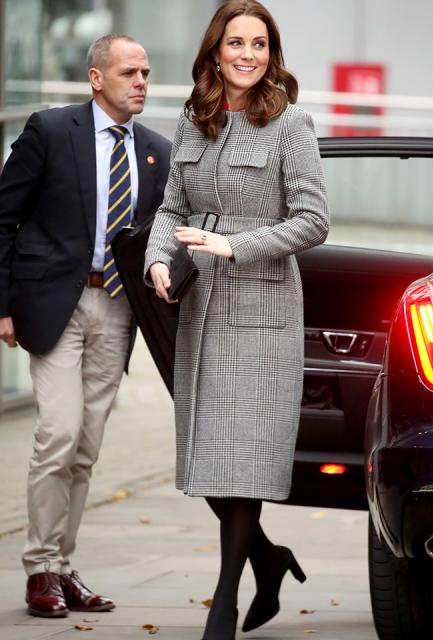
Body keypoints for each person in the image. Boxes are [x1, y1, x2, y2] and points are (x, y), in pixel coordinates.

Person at [143, 2, 328, 638]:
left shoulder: (291, 124)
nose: (247, 54)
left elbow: (313, 220)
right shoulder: (193, 123)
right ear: (215, 51)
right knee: (208, 459)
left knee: (244, 459)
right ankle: (268, 560)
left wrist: (234, 244)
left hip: (264, 307)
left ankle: (223, 601)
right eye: (235, 43)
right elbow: (169, 209)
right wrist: (157, 261)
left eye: (259, 44)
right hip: (200, 308)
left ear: (271, 53)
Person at [0, 34, 171, 618]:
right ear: (97, 78)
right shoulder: (50, 131)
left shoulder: (155, 150)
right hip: (55, 305)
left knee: (86, 449)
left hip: (119, 311)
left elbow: (158, 234)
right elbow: (5, 218)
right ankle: (38, 569)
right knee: (58, 435)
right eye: (130, 72)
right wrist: (3, 305)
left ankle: (63, 566)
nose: (142, 82)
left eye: (146, 72)